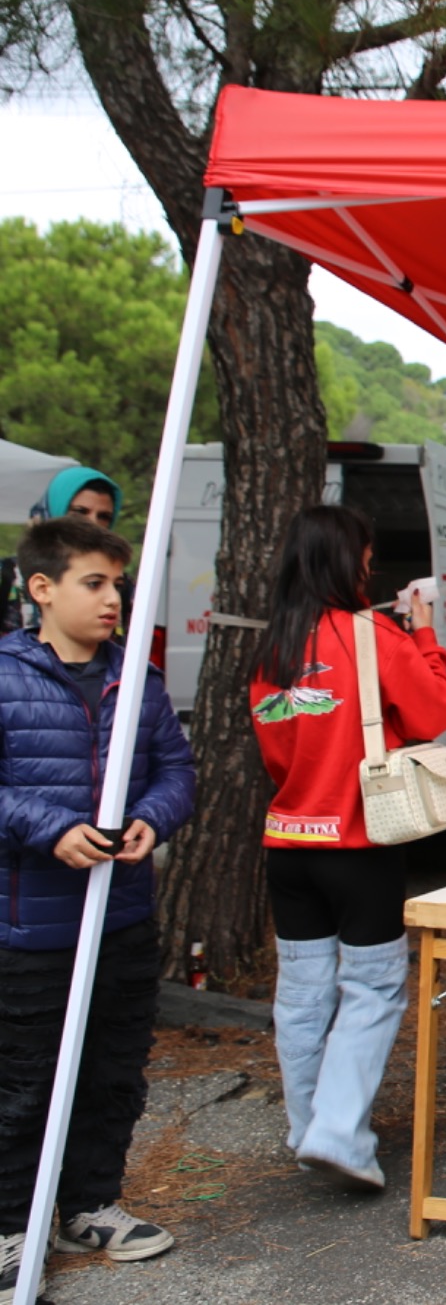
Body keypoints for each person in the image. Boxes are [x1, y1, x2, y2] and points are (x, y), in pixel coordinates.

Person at [0, 518, 195, 1293]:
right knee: (24, 1081)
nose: (113, 598)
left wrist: (154, 815)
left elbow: (175, 769)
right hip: (31, 927)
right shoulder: (5, 675)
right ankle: (11, 1225)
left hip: (121, 918)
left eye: (118, 583)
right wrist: (49, 828)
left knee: (113, 1071)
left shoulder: (137, 679)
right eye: (95, 582)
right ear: (42, 588)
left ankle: (88, 1204)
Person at [248, 505, 446, 1193]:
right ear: (349, 562)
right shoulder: (375, 635)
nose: (370, 571)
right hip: (359, 843)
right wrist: (424, 631)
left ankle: (309, 1126)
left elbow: (277, 755)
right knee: (371, 988)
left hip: (289, 843)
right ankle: (338, 1133)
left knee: (302, 994)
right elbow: (435, 711)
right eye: (366, 560)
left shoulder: (275, 645)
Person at [0, 467, 123, 635]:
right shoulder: (7, 575)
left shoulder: (119, 585)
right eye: (80, 512)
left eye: (103, 516)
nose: (92, 523)